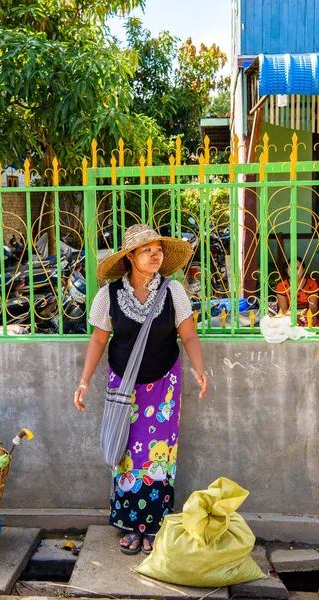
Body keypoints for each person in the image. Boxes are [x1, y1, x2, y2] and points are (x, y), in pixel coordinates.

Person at [74, 224, 209, 555]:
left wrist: (199, 368)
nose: (155, 254)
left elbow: (188, 335)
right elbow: (98, 339)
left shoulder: (173, 291)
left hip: (164, 384)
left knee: (159, 456)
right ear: (130, 257)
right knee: (128, 455)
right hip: (124, 384)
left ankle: (154, 527)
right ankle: (131, 524)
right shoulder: (108, 296)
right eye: (146, 249)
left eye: (158, 249)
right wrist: (84, 380)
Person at [276, 257, 319, 321]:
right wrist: (294, 315)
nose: (294, 271)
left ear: (304, 269)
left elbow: (313, 307)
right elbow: (283, 309)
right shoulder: (281, 286)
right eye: (291, 268)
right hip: (289, 318)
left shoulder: (312, 284)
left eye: (297, 268)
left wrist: (304, 315)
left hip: (308, 318)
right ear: (287, 270)